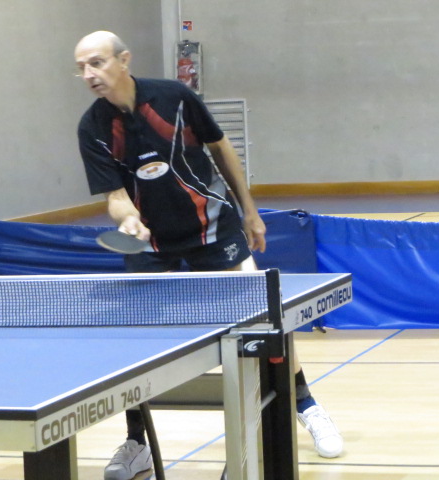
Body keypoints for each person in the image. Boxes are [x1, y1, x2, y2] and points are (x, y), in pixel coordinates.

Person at [74, 30, 343, 480]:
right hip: (152, 241)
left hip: (212, 226)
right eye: (81, 67)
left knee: (262, 319)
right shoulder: (93, 128)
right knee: (136, 341)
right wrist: (129, 220)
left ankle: (306, 405)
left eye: (97, 62)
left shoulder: (174, 98)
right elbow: (115, 197)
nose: (88, 74)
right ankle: (138, 442)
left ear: (124, 60)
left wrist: (250, 211)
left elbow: (220, 147)